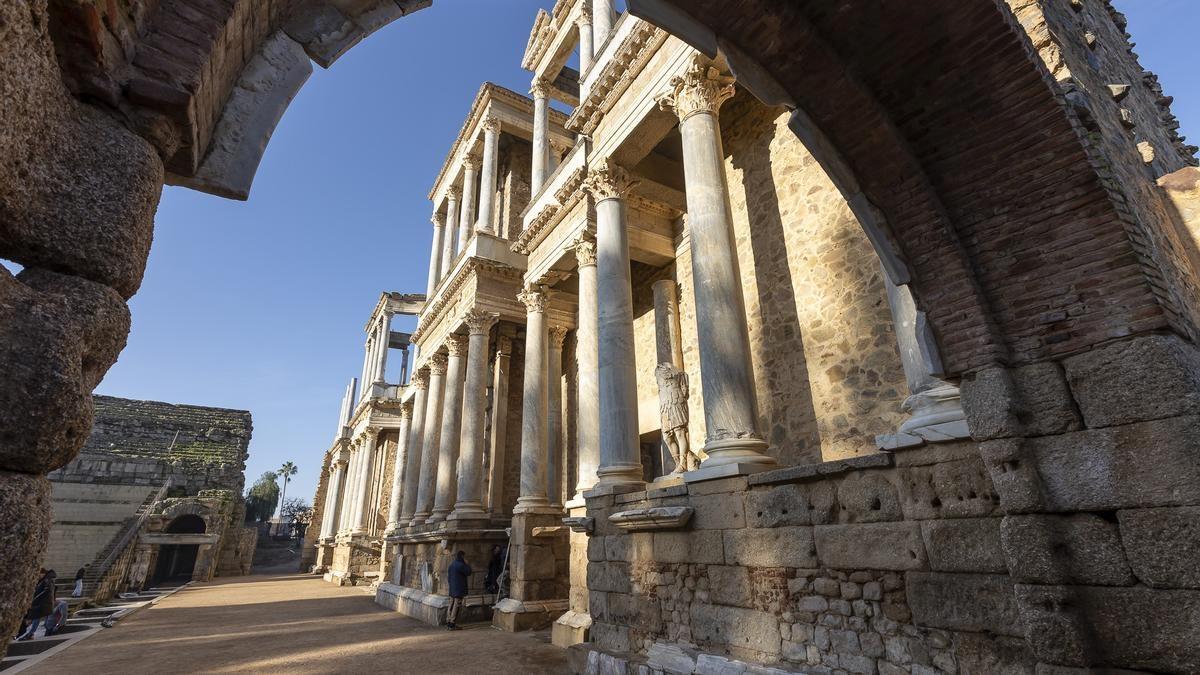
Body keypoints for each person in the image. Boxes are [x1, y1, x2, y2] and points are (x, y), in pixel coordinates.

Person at [17, 569, 54, 640]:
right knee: (37, 619)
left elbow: (47, 590)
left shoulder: (47, 579)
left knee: (36, 618)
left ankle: (30, 634)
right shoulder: (44, 580)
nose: (38, 576)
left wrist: (36, 598)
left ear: (43, 573)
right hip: (41, 603)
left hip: (43, 603)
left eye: (38, 574)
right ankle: (30, 634)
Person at [445, 551, 471, 630]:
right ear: (462, 556)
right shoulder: (461, 565)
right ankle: (452, 623)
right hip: (459, 589)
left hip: (453, 588)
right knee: (456, 606)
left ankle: (448, 621)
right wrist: (467, 564)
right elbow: (468, 572)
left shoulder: (452, 565)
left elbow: (448, 578)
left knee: (451, 604)